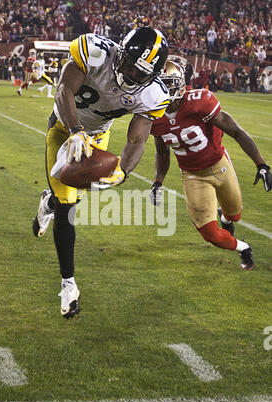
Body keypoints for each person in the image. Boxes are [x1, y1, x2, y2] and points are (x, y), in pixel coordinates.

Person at [32, 27, 169, 319]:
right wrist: (75, 130)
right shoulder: (95, 52)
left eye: (141, 72)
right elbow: (64, 89)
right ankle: (68, 285)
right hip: (65, 127)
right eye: (131, 64)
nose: (132, 75)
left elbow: (137, 139)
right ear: (121, 52)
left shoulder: (153, 94)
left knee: (71, 198)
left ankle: (49, 203)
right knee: (68, 209)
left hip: (97, 136)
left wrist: (123, 172)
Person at [149, 60, 272, 271]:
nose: (164, 89)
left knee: (234, 215)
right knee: (210, 234)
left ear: (180, 84)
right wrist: (158, 182)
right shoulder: (153, 115)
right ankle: (243, 247)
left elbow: (236, 131)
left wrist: (261, 164)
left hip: (219, 165)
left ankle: (226, 217)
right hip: (192, 176)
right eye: (160, 84)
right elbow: (162, 151)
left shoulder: (200, 101)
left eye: (169, 83)